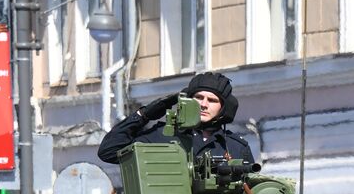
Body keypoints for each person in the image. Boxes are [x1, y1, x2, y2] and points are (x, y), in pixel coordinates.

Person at [98, 71, 255, 170]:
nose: (204, 105)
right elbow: (109, 152)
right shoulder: (163, 136)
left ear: (223, 108)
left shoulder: (235, 147)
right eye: (199, 98)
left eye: (212, 100)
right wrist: (144, 115)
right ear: (188, 100)